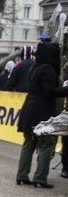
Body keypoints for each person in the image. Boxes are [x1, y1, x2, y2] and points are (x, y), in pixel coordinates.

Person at [15, 41, 68, 188]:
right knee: (46, 145)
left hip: (29, 109)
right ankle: (40, 177)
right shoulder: (49, 70)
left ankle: (22, 174)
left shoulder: (35, 67)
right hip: (43, 111)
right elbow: (49, 92)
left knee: (28, 143)